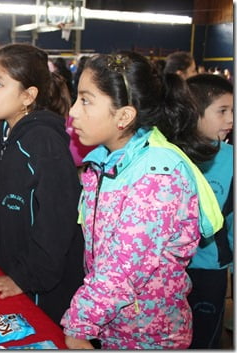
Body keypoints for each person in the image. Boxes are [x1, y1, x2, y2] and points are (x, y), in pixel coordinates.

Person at [60, 52, 224, 349]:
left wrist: (80, 323)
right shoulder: (106, 162)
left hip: (148, 337)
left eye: (85, 100)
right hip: (115, 326)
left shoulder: (157, 177)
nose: (73, 111)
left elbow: (122, 269)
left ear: (124, 116)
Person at [0, 43, 85, 324]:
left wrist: (24, 279)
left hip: (41, 290)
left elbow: (58, 223)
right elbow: (0, 203)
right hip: (12, 270)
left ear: (28, 96)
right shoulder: (4, 134)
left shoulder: (43, 144)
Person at [186, 73, 233, 349]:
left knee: (205, 337)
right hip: (170, 269)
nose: (231, 120)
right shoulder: (169, 155)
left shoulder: (231, 159)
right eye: (222, 111)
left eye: (233, 111)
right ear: (194, 113)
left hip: (210, 271)